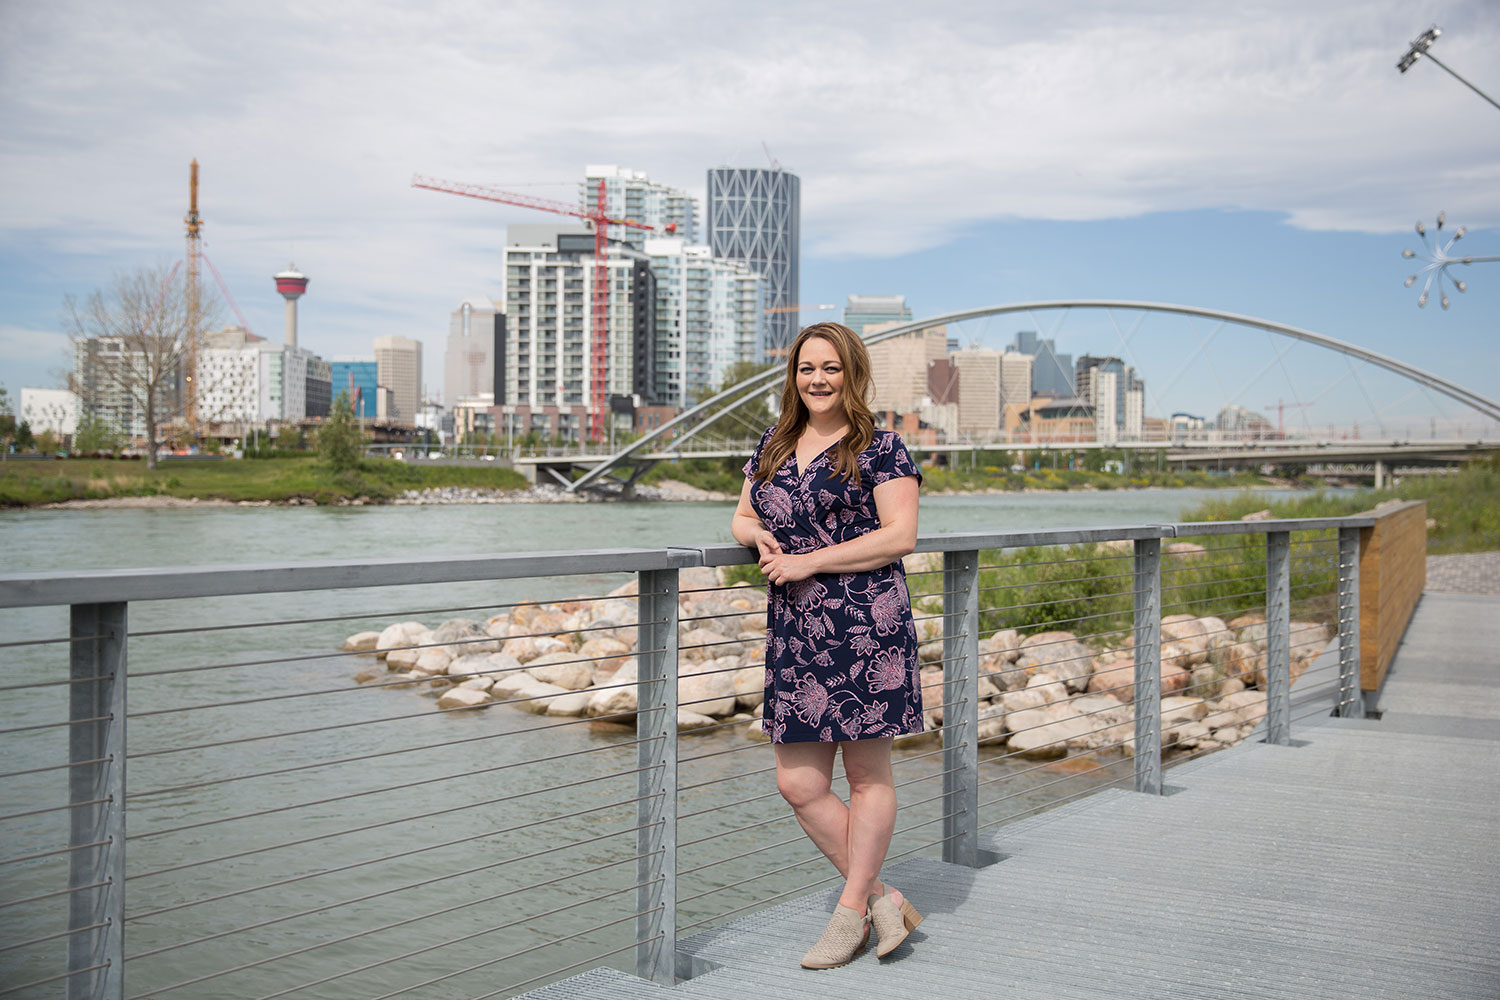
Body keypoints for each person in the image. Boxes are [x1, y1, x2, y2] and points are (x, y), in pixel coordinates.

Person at [731, 321, 926, 969]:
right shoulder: (775, 441)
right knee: (798, 783)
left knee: (867, 775)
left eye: (831, 368)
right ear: (793, 376)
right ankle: (881, 897)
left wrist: (813, 561)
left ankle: (849, 914)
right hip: (795, 630)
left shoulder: (881, 447)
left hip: (866, 627)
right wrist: (755, 538)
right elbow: (742, 513)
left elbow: (900, 535)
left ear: (853, 374)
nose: (818, 379)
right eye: (806, 368)